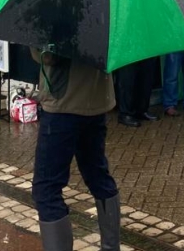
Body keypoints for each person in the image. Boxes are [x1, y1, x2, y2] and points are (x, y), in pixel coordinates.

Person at [29, 47, 120, 250]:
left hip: (63, 105)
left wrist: (33, 44)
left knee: (46, 189)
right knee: (98, 175)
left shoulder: (59, 14)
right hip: (96, 103)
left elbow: (49, 56)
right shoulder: (106, 16)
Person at [115, 57, 159, 127]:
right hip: (127, 50)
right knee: (127, 80)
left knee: (146, 77)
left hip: (145, 48)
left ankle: (142, 110)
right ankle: (125, 114)